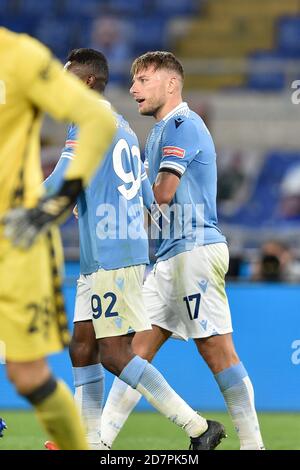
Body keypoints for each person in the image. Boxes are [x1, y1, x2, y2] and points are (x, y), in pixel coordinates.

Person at [44, 48, 226, 451]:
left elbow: (59, 181)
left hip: (114, 253)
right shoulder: (121, 125)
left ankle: (197, 427)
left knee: (113, 353)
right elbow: (145, 193)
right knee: (83, 346)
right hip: (103, 253)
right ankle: (87, 443)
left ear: (87, 82)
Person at [100, 51, 265, 451]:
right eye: (134, 80)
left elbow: (163, 195)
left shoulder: (183, 125)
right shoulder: (159, 132)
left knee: (217, 352)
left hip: (195, 252)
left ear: (171, 84)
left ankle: (253, 445)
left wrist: (118, 206)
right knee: (132, 352)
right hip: (169, 257)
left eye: (144, 79)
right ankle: (98, 442)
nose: (133, 88)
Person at [0, 28, 116, 450]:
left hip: (15, 241)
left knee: (27, 375)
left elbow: (98, 118)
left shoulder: (19, 56)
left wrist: (62, 197)